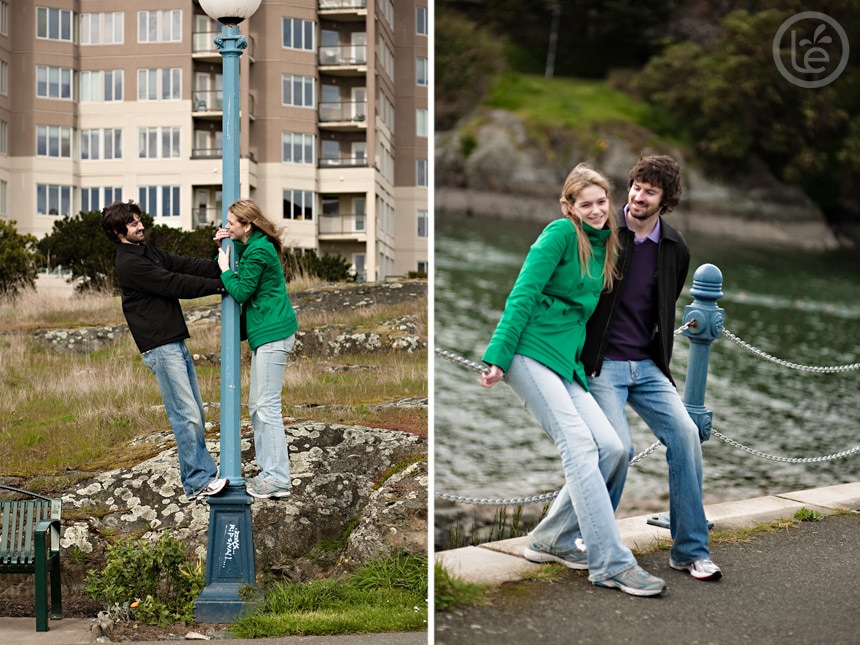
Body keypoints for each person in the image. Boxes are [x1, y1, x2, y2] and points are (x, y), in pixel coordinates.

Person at [478, 163, 666, 597]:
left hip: (568, 363)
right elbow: (522, 294)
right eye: (587, 205)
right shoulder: (559, 234)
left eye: (602, 202)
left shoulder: (609, 244)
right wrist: (497, 357)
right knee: (580, 446)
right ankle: (611, 563)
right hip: (528, 352)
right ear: (570, 206)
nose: (598, 211)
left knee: (615, 449)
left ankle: (551, 539)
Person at [580, 154, 722, 581]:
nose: (639, 197)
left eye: (650, 191)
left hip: (647, 366)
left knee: (686, 435)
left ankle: (690, 551)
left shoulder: (675, 248)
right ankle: (594, 535)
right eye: (636, 187)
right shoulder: (603, 233)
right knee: (616, 449)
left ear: (666, 200)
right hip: (603, 365)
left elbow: (665, 304)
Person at [100, 200, 228, 502]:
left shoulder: (148, 252)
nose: (140, 225)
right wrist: (222, 286)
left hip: (174, 341)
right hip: (160, 347)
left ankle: (201, 476)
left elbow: (184, 265)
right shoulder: (129, 263)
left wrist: (224, 264)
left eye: (139, 220)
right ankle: (198, 482)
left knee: (196, 411)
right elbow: (174, 283)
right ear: (120, 232)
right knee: (186, 415)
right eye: (133, 223)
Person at [215, 199, 299, 500]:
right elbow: (246, 263)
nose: (227, 226)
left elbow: (240, 290)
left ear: (247, 225)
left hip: (274, 334)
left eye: (231, 223)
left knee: (266, 407)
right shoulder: (255, 245)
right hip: (267, 334)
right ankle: (270, 473)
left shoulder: (260, 250)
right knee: (258, 406)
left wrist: (224, 268)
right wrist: (227, 245)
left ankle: (277, 477)